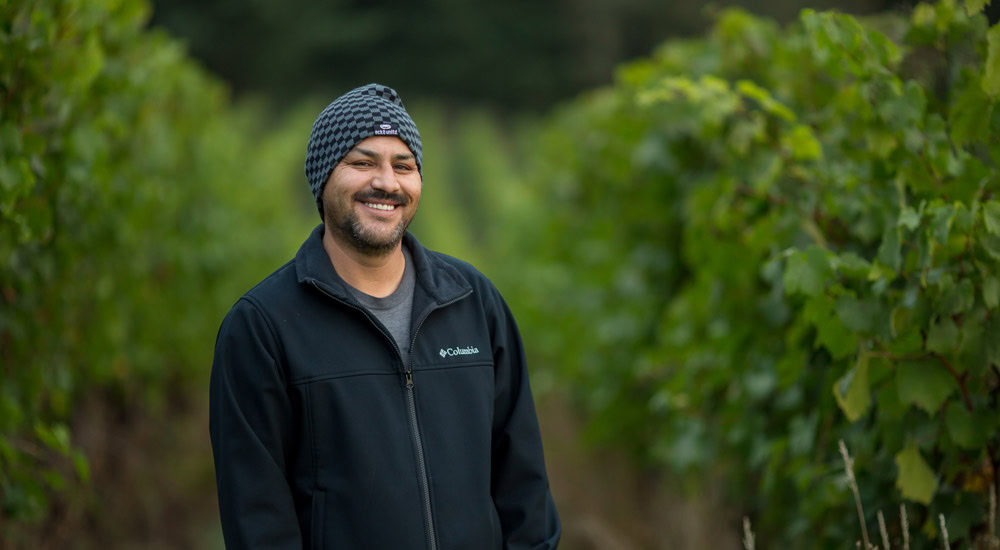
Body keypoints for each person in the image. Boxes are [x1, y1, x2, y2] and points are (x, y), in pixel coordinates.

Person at [209, 83, 561, 549]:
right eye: (362, 162)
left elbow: (524, 485)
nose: (387, 183)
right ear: (322, 177)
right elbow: (258, 520)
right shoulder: (262, 327)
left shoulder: (473, 301)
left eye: (404, 166)